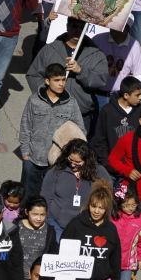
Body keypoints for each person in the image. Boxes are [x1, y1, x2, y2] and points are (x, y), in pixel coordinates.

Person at [27, 17, 109, 131]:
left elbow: (101, 80)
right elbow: (33, 75)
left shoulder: (96, 54)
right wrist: (46, 95)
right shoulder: (50, 49)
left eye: (82, 27)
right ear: (67, 26)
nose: (77, 30)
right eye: (74, 26)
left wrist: (81, 71)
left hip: (80, 115)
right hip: (51, 112)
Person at [19, 62, 85, 200]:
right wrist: (25, 153)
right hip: (33, 158)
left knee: (49, 197)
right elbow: (25, 125)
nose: (61, 83)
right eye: (57, 80)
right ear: (47, 81)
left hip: (57, 162)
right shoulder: (34, 100)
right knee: (27, 196)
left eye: (63, 80)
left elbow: (80, 131)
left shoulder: (71, 103)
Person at [61, 181, 121, 280]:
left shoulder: (111, 230)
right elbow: (62, 249)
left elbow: (115, 258)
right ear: (89, 205)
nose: (96, 211)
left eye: (101, 208)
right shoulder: (76, 224)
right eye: (94, 206)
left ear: (106, 209)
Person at [41, 140, 111, 242]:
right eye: (70, 160)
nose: (73, 164)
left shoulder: (99, 172)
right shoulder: (56, 171)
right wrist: (47, 219)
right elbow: (45, 197)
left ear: (87, 160)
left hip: (87, 226)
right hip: (57, 224)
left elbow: (107, 199)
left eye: (78, 162)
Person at [91, 76, 141, 171]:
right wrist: (107, 164)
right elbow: (99, 140)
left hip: (134, 168)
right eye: (137, 95)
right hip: (112, 169)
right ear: (126, 95)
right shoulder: (107, 111)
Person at [110, 181, 141, 280]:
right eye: (126, 205)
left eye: (133, 205)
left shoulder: (140, 220)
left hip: (128, 262)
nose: (130, 208)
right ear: (119, 204)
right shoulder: (113, 218)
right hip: (110, 259)